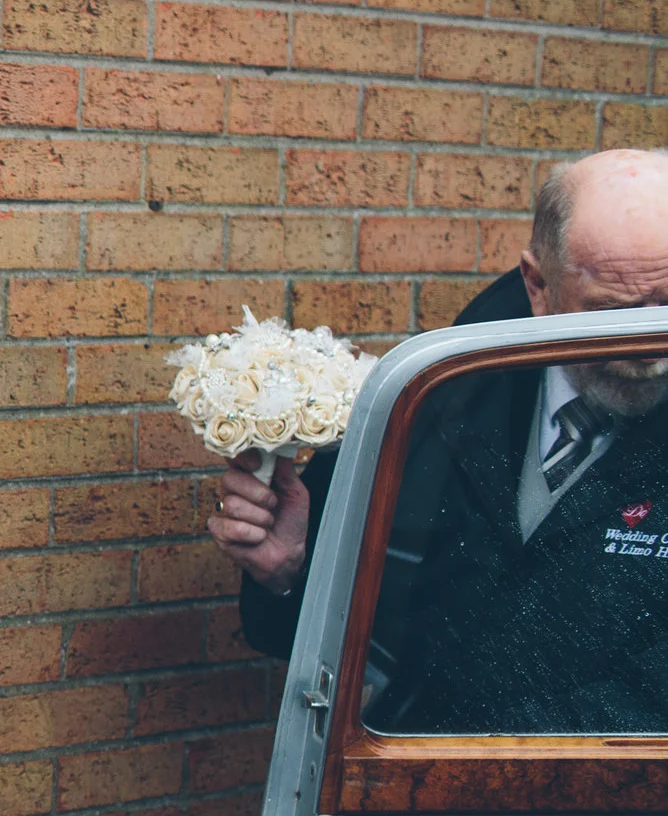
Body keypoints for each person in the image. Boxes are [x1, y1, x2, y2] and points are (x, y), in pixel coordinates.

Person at [209, 147, 668, 731]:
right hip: (413, 789)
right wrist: (290, 574)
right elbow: (350, 646)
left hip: (614, 812)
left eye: (667, 305)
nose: (650, 342)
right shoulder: (441, 394)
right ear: (538, 286)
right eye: (611, 312)